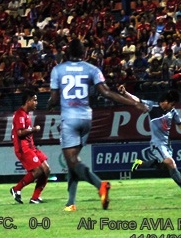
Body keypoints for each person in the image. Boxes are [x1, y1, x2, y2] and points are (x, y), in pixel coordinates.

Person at [48, 38, 148, 212]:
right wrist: (133, 103)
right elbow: (106, 93)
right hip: (86, 118)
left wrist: (49, 103)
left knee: (72, 160)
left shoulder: (58, 70)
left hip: (69, 119)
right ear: (84, 53)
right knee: (73, 162)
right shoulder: (92, 69)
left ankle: (100, 185)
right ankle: (70, 203)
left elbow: (54, 99)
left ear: (67, 53)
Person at [124, 88, 181, 198]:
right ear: (166, 102)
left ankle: (140, 163)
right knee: (170, 163)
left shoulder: (172, 112)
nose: (173, 107)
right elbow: (137, 100)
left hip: (167, 144)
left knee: (163, 165)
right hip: (157, 144)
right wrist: (125, 93)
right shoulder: (152, 106)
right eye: (172, 104)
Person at [9, 90, 50, 204]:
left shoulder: (26, 114)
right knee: (38, 171)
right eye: (34, 100)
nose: (36, 103)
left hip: (31, 147)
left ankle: (35, 197)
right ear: (28, 101)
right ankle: (16, 189)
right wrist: (34, 129)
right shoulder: (20, 114)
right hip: (23, 148)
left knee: (46, 169)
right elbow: (20, 133)